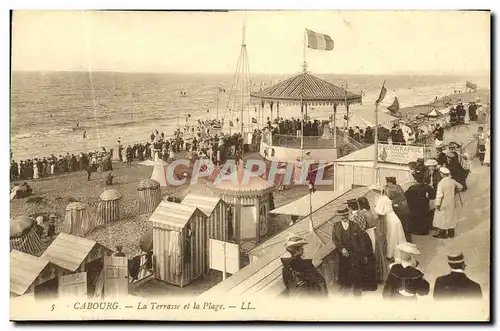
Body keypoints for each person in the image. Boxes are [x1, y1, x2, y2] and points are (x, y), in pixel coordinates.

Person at [370, 184, 407, 262]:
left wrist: (373, 208)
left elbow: (378, 213)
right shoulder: (385, 198)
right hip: (394, 217)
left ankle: (390, 254)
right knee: (396, 236)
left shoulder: (381, 199)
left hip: (389, 219)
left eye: (374, 191)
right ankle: (393, 254)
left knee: (391, 236)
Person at [331, 207, 363, 296]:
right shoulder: (336, 225)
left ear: (348, 214)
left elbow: (360, 238)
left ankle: (357, 289)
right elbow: (334, 240)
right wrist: (342, 249)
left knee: (355, 269)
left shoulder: (355, 225)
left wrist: (359, 250)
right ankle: (346, 286)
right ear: (339, 216)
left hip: (354, 251)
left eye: (345, 214)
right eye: (342, 215)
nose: (344, 217)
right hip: (342, 252)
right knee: (344, 268)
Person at [358, 196, 388, 283]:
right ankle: (379, 275)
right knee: (378, 253)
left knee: (372, 254)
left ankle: (374, 276)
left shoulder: (363, 213)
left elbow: (363, 227)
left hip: (369, 233)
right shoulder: (369, 210)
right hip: (375, 232)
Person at [432, 167, 463, 239]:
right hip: (452, 202)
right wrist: (455, 191)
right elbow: (460, 187)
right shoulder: (452, 181)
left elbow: (439, 195)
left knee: (442, 218)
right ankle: (451, 234)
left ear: (442, 174)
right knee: (451, 216)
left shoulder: (441, 183)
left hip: (443, 202)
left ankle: (442, 234)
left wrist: (437, 204)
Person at [405, 171, 435, 235]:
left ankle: (415, 230)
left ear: (416, 180)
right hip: (424, 205)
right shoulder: (427, 187)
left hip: (414, 206)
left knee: (415, 218)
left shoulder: (412, 188)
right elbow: (433, 196)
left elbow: (406, 196)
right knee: (423, 218)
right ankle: (423, 231)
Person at [384, 177, 411, 242]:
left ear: (390, 182)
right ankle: (407, 239)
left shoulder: (391, 189)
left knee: (399, 224)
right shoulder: (398, 186)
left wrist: (386, 190)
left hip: (398, 208)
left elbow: (389, 197)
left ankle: (400, 240)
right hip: (405, 207)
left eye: (387, 182)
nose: (386, 184)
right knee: (405, 225)